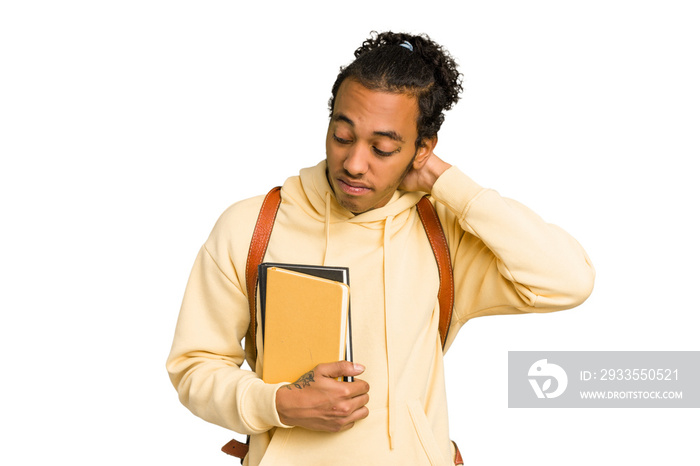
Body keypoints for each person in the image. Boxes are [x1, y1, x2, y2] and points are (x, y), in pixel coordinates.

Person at [166, 31, 595, 465]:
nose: (354, 163)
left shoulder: (442, 235)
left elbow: (568, 280)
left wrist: (448, 184)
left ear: (421, 149)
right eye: (342, 135)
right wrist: (276, 403)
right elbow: (194, 367)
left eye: (383, 148)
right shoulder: (252, 226)